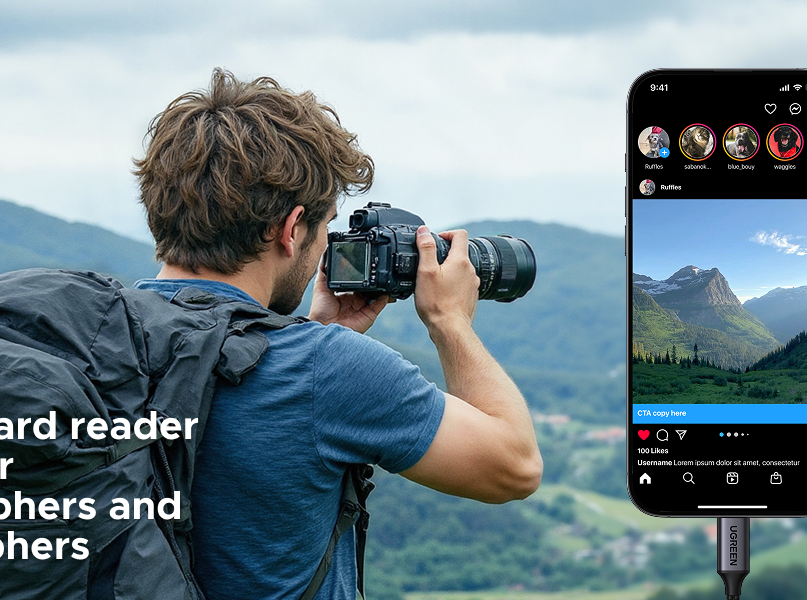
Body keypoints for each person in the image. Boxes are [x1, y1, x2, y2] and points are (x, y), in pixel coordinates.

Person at [130, 68, 543, 600]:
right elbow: (515, 466)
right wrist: (449, 320)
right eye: (326, 228)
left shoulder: (103, 338)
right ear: (291, 228)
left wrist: (310, 331)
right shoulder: (329, 370)